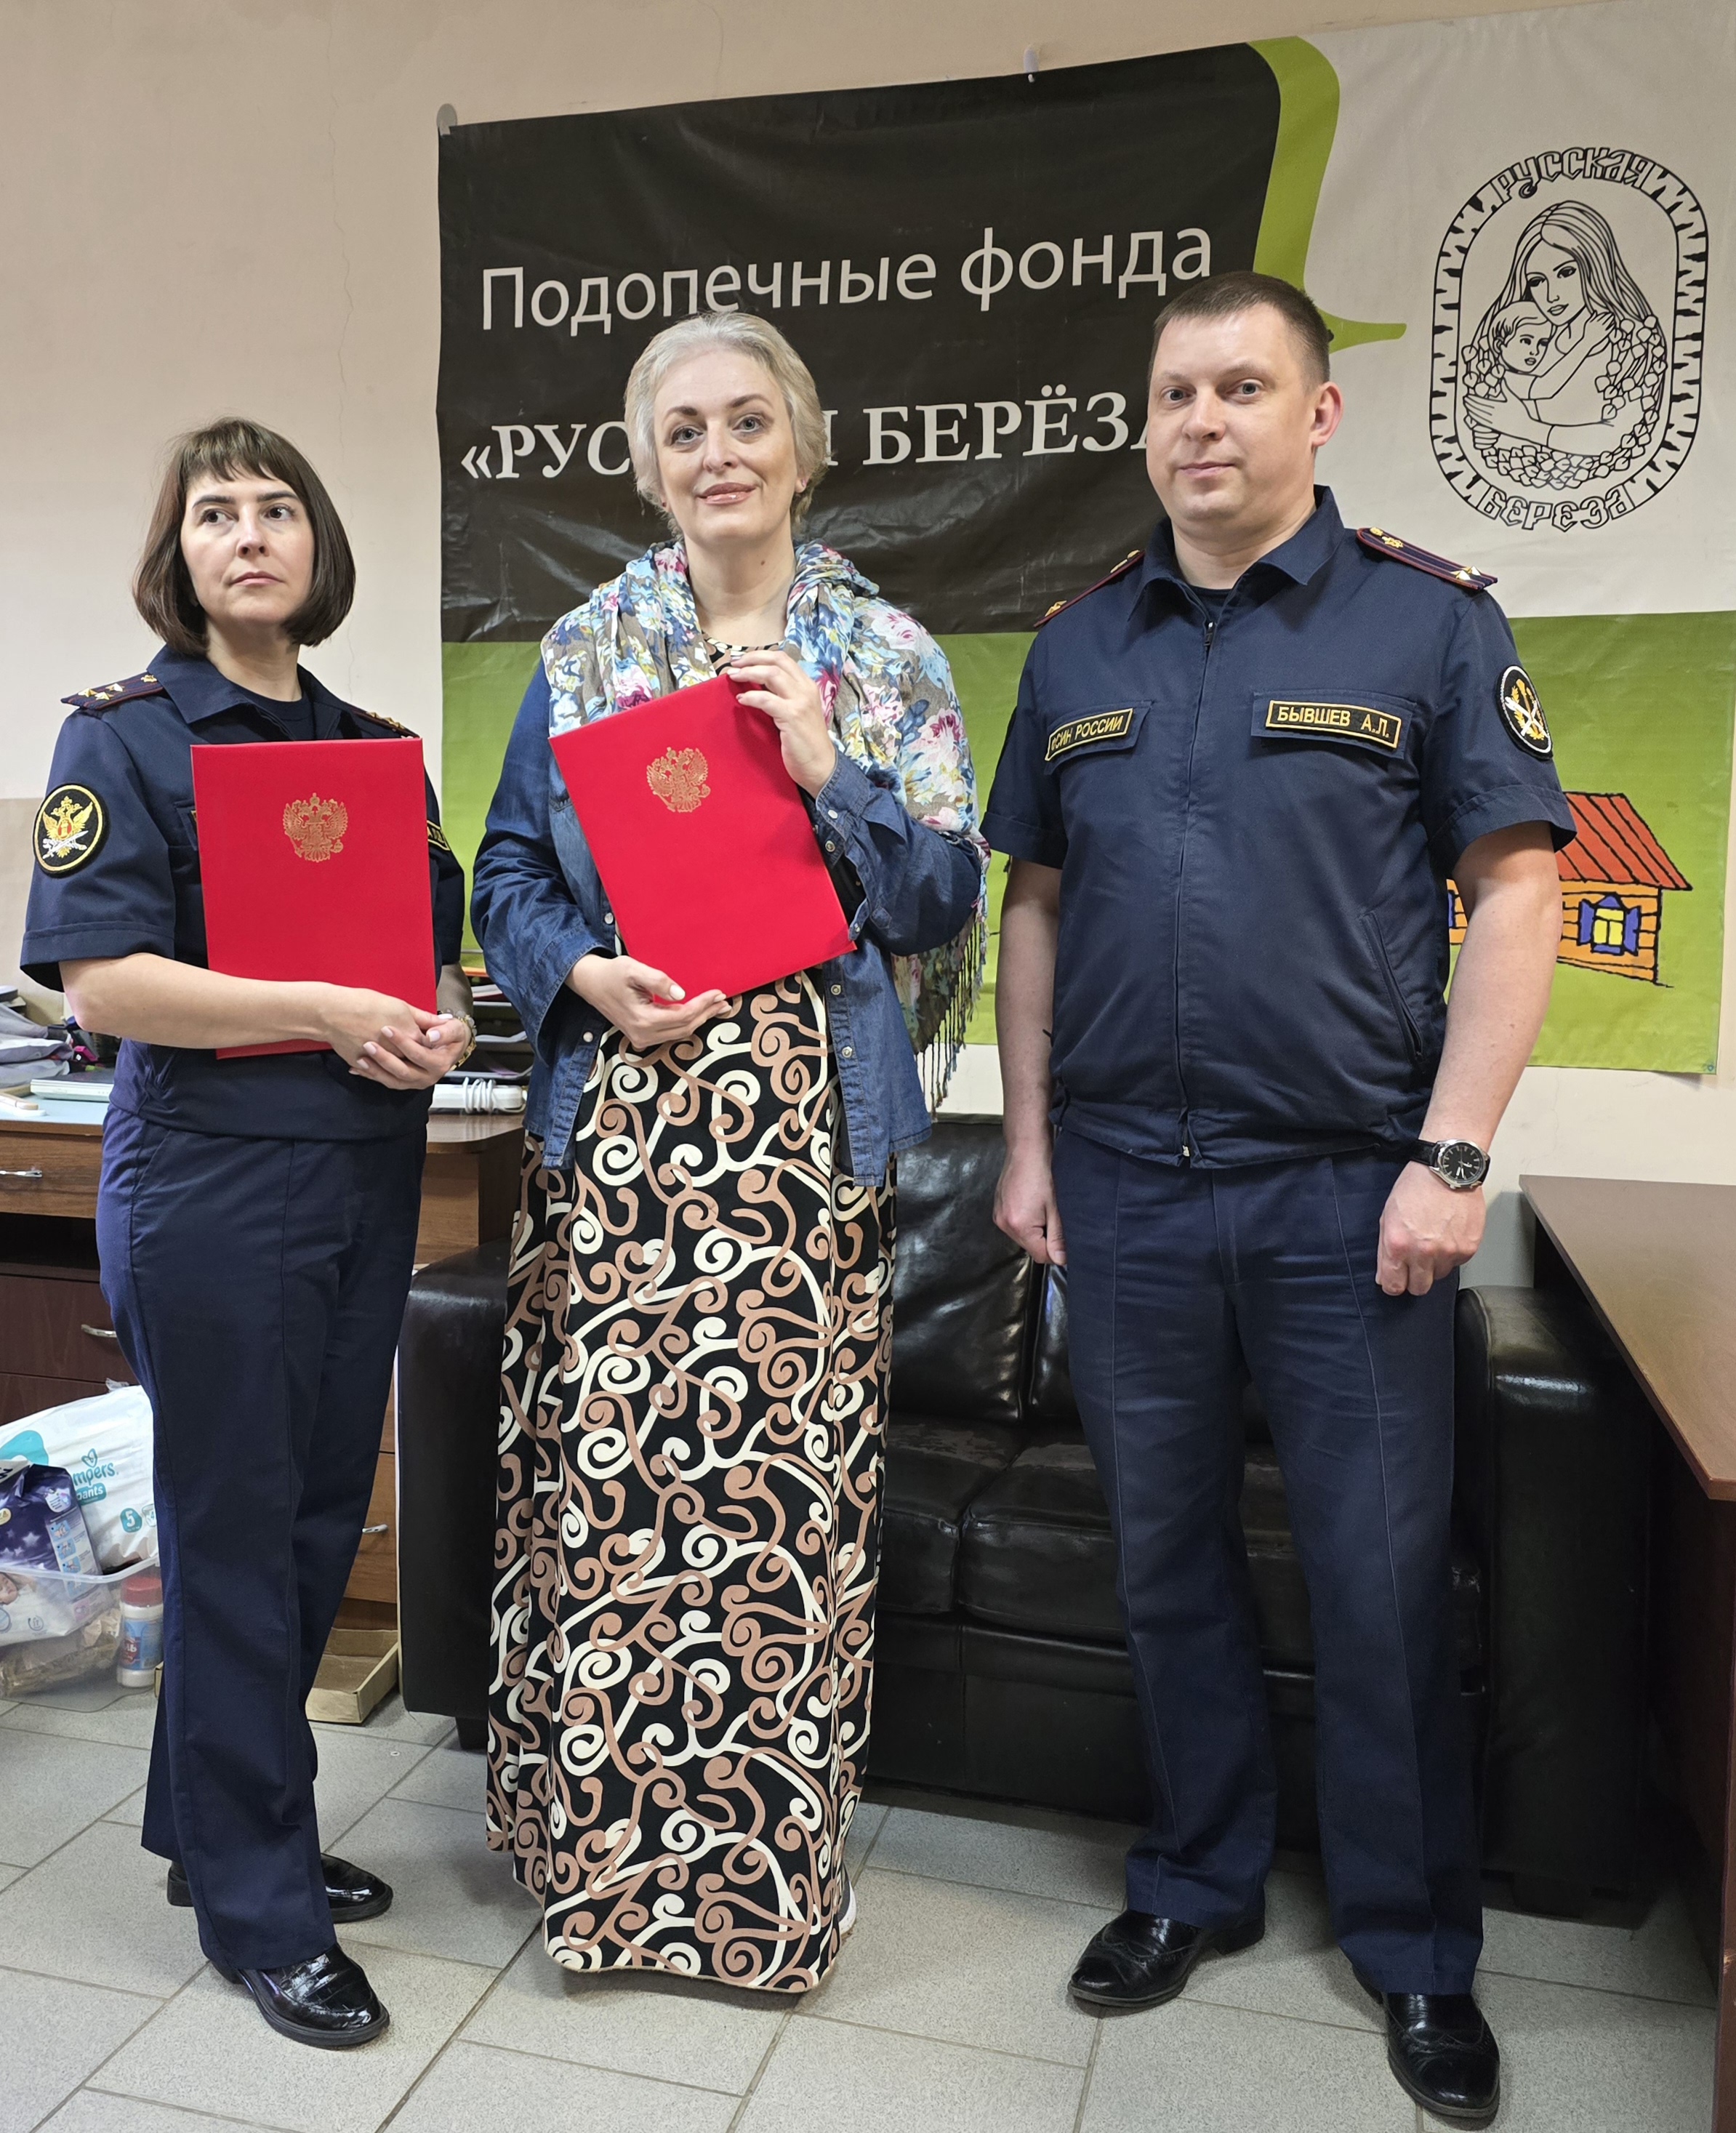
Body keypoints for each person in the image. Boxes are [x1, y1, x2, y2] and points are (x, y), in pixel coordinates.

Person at [984, 271, 1572, 2129]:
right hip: (1127, 1198)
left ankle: (1415, 1948)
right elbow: (1034, 907)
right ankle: (1196, 1879)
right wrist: (1025, 1145)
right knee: (1163, 1558)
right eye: (1176, 393)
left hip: (1347, 1201)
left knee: (1379, 1582)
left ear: (1319, 415)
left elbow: (1520, 893)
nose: (1202, 422)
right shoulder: (1079, 646)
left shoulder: (1427, 622)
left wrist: (1453, 1156)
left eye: (1242, 388)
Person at [473, 309, 984, 1993]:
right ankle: (606, 1892)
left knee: (781, 1518)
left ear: (805, 448)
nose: (718, 453)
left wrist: (833, 770)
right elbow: (507, 879)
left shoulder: (887, 655)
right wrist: (580, 974)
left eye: (748, 420)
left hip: (802, 1145)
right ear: (645, 466)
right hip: (625, 1137)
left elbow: (943, 899)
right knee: (616, 1512)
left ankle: (762, 1908)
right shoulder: (585, 651)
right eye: (682, 429)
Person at [20, 418, 473, 2049]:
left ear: (317, 545)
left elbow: (430, 960)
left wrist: (432, 1018)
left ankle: (211, 1829)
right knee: (232, 1535)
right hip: (210, 1183)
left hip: (358, 1168)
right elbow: (103, 983)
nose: (252, 534)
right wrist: (324, 1008)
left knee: (307, 1527)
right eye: (216, 512)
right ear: (181, 554)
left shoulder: (375, 748)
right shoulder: (123, 738)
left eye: (279, 508)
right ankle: (263, 1908)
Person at [1461, 198, 1665, 481]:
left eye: (1566, 273)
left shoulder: (1632, 346)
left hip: (1595, 484)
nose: (1551, 296)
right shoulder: (1530, 335)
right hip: (1521, 481)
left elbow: (1619, 438)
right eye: (1537, 281)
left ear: (1595, 266)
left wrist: (1524, 427)